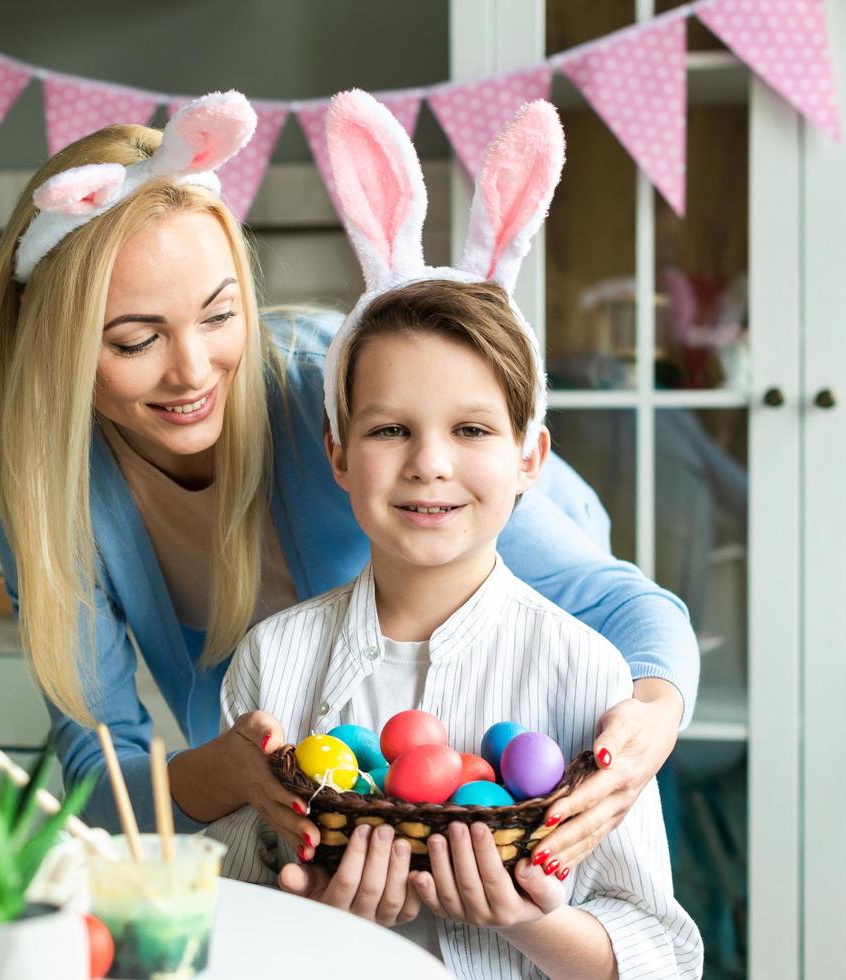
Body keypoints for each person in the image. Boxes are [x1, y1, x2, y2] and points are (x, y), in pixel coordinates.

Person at [0, 90, 699, 881]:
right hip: (320, 836)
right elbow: (98, 779)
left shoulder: (332, 385)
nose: (192, 371)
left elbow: (620, 605)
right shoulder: (49, 495)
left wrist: (649, 721)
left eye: (220, 317)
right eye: (137, 339)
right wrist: (231, 772)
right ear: (57, 345)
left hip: (475, 765)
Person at [210, 92, 700, 979]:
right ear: (337, 454)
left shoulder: (586, 674)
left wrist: (523, 920)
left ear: (529, 459)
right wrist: (313, 905)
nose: (429, 464)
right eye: (390, 429)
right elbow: (231, 913)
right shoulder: (272, 666)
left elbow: (662, 955)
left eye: (471, 431)